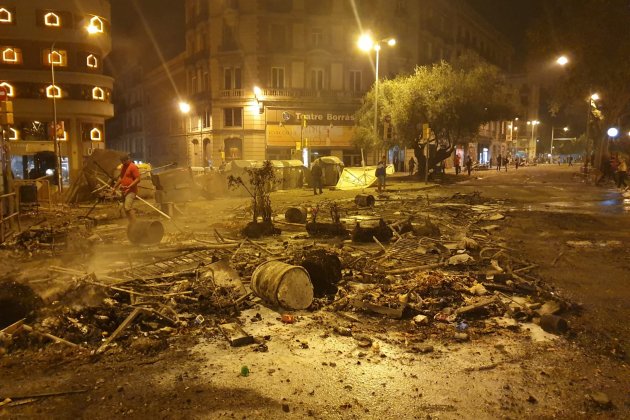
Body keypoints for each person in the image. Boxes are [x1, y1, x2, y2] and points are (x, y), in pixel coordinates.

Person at [114, 154, 141, 224]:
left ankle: (135, 225)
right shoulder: (123, 166)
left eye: (124, 161)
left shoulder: (133, 167)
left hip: (131, 191)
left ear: (128, 159)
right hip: (124, 191)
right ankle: (131, 223)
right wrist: (115, 186)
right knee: (125, 209)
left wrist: (130, 186)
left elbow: (138, 179)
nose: (123, 163)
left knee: (127, 207)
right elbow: (121, 177)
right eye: (122, 162)